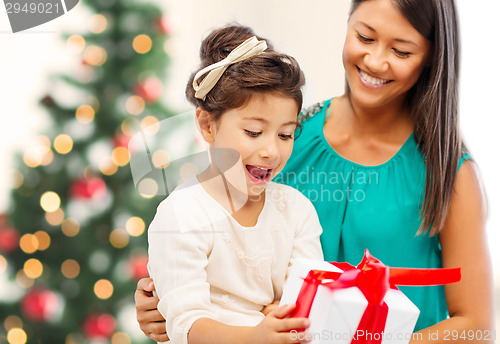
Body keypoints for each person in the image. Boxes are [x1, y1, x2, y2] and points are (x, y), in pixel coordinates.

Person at [137, 0, 494, 342]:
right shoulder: (285, 137)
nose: (375, 60)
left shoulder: (449, 173)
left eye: (401, 51)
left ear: (431, 57)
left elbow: (476, 326)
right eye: (365, 37)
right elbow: (212, 247)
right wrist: (161, 301)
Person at [147, 24, 325, 344]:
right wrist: (255, 336)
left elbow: (311, 300)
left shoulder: (296, 210)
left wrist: (287, 312)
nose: (271, 150)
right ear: (207, 125)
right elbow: (186, 324)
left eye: (286, 134)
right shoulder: (182, 214)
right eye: (254, 132)